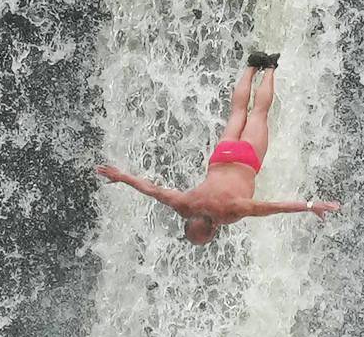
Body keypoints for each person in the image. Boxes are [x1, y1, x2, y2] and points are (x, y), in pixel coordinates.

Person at [94, 52, 340, 244]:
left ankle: (271, 68)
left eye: (209, 237)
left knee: (259, 114)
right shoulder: (184, 204)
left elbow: (275, 207)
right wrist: (122, 176)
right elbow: (152, 190)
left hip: (246, 159)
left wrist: (311, 206)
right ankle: (252, 66)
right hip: (222, 154)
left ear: (214, 227)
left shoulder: (231, 212)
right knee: (238, 112)